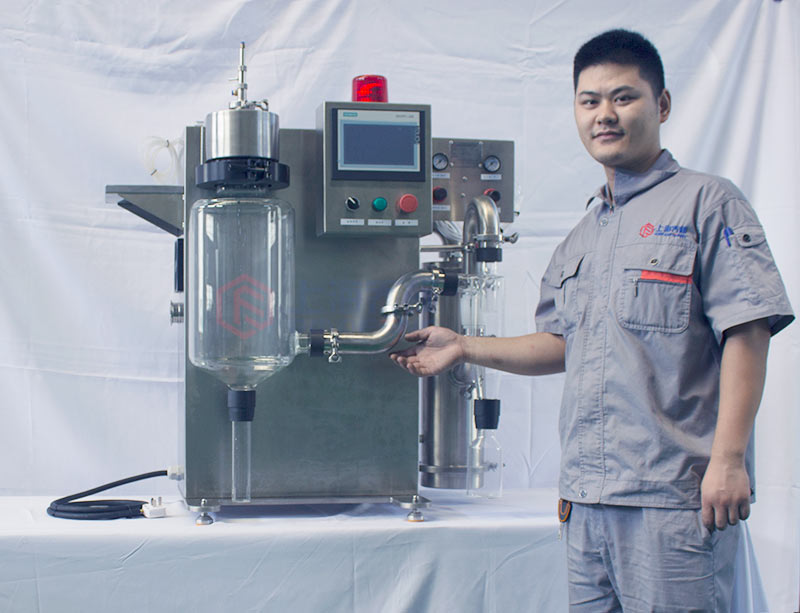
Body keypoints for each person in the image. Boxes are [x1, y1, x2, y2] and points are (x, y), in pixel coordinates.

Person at [391, 29, 794, 611]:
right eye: (590, 101)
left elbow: (748, 332)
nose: (605, 114)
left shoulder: (708, 203)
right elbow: (561, 344)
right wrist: (464, 346)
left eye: (624, 97)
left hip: (674, 502)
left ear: (661, 104)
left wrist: (729, 460)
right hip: (585, 503)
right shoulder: (582, 236)